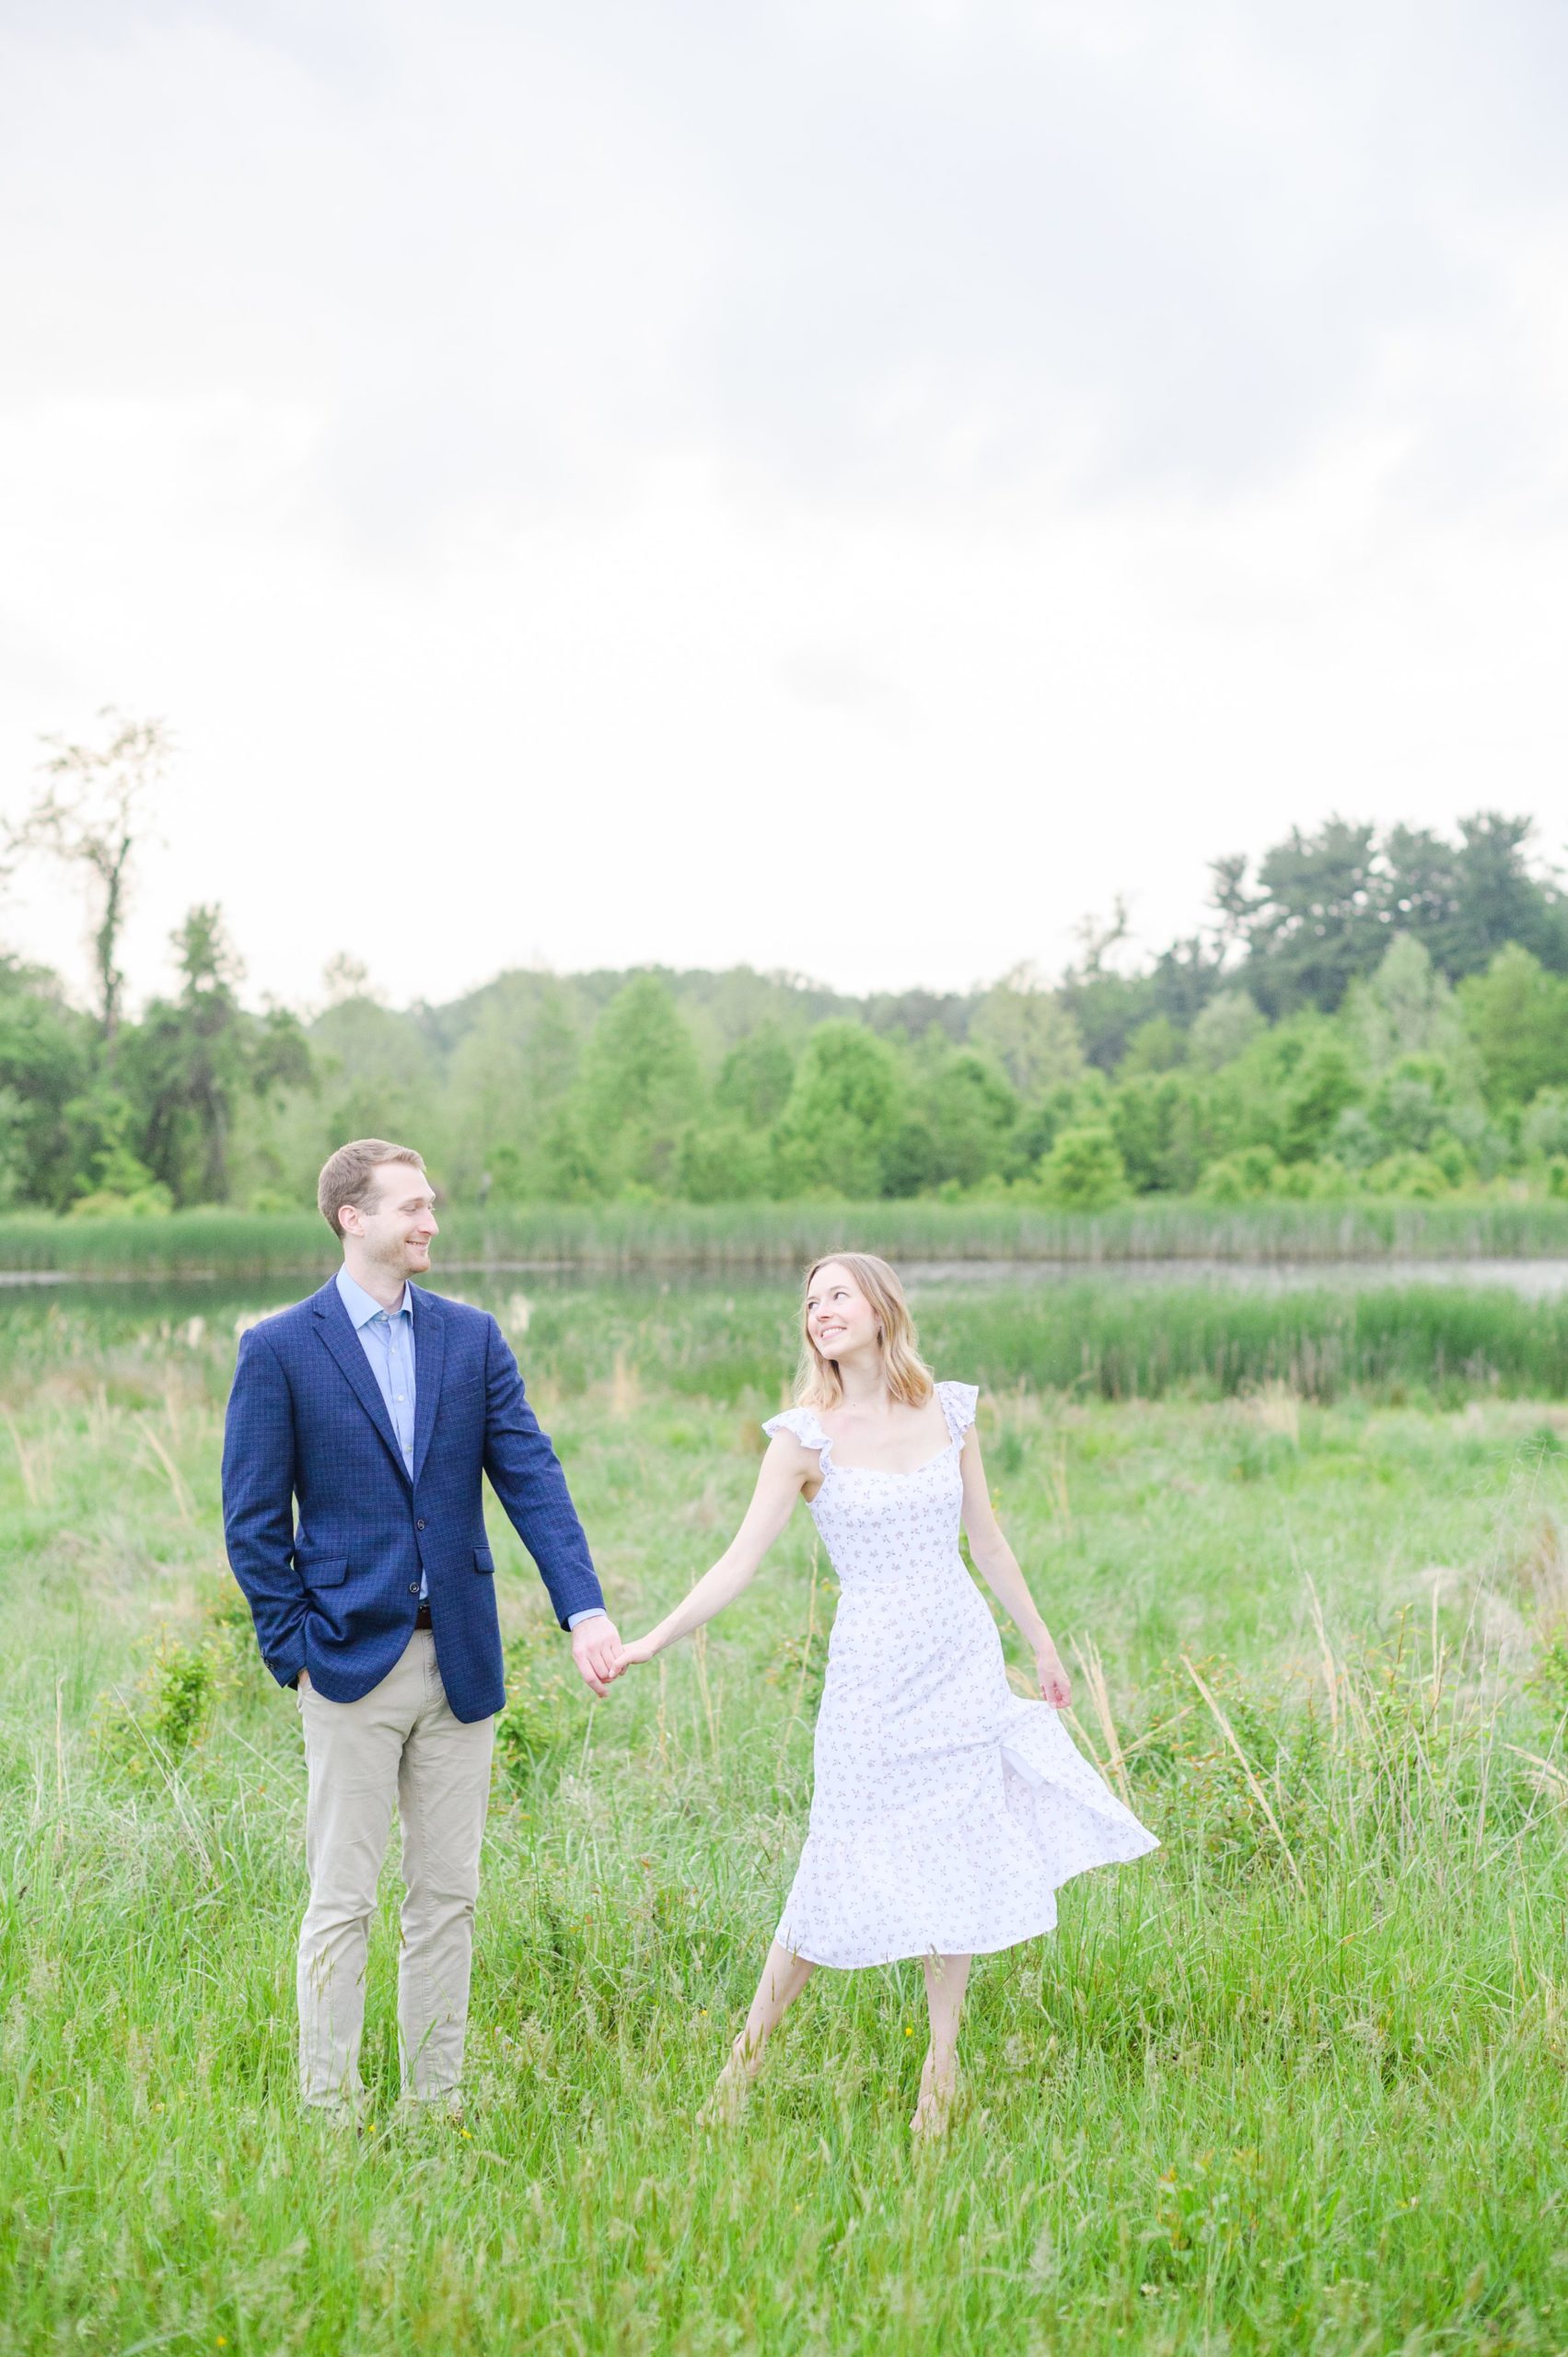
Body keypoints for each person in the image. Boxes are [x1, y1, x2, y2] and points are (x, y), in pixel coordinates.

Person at [613, 1250, 1156, 2138]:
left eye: (836, 1294)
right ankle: (739, 2068)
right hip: (871, 1677)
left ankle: (941, 2068)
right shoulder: (802, 1439)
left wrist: (1043, 1646)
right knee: (834, 1858)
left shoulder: (947, 1410)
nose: (819, 1310)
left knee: (956, 1853)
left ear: (879, 1308)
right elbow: (737, 1562)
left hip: (959, 1658)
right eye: (809, 1300)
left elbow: (987, 1541)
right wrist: (651, 1640)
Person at [221, 1138, 620, 2121]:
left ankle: (432, 2108)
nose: (429, 1220)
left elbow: (530, 1474)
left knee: (447, 1897)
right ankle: (330, 2109)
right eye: (410, 1205)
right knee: (342, 1899)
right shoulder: (278, 1347)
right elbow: (252, 1521)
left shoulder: (471, 1337)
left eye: (431, 1203)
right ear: (352, 1217)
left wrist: (584, 1606)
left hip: (463, 1664)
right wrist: (295, 1655)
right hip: (345, 1665)